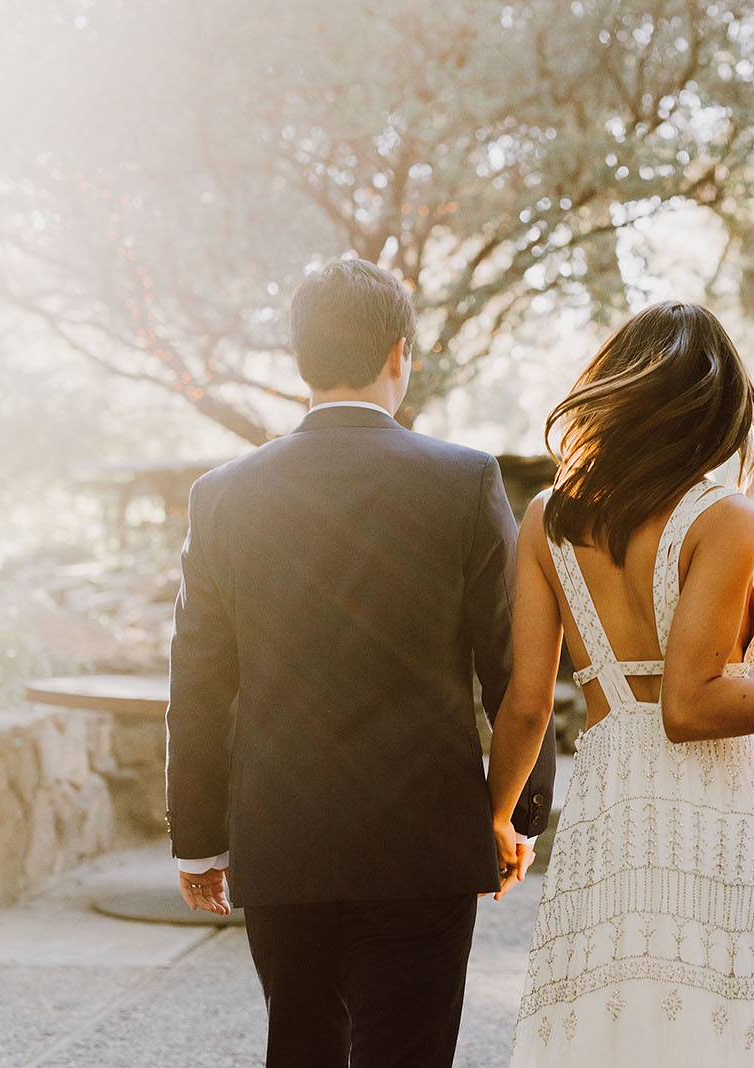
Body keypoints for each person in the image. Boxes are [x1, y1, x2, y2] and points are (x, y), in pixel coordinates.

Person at [483, 301, 754, 1067]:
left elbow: (526, 703)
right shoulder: (725, 517)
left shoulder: (548, 516)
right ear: (719, 409)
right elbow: (690, 708)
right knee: (725, 1024)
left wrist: (495, 819)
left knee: (613, 1021)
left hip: (611, 803)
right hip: (720, 805)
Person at [165, 257, 556, 1068]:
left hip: (283, 835)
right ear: (399, 356)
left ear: (301, 361)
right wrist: (515, 811)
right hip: (426, 840)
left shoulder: (223, 495)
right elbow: (514, 666)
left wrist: (198, 838)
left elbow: (199, 683)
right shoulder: (463, 480)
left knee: (301, 1046)